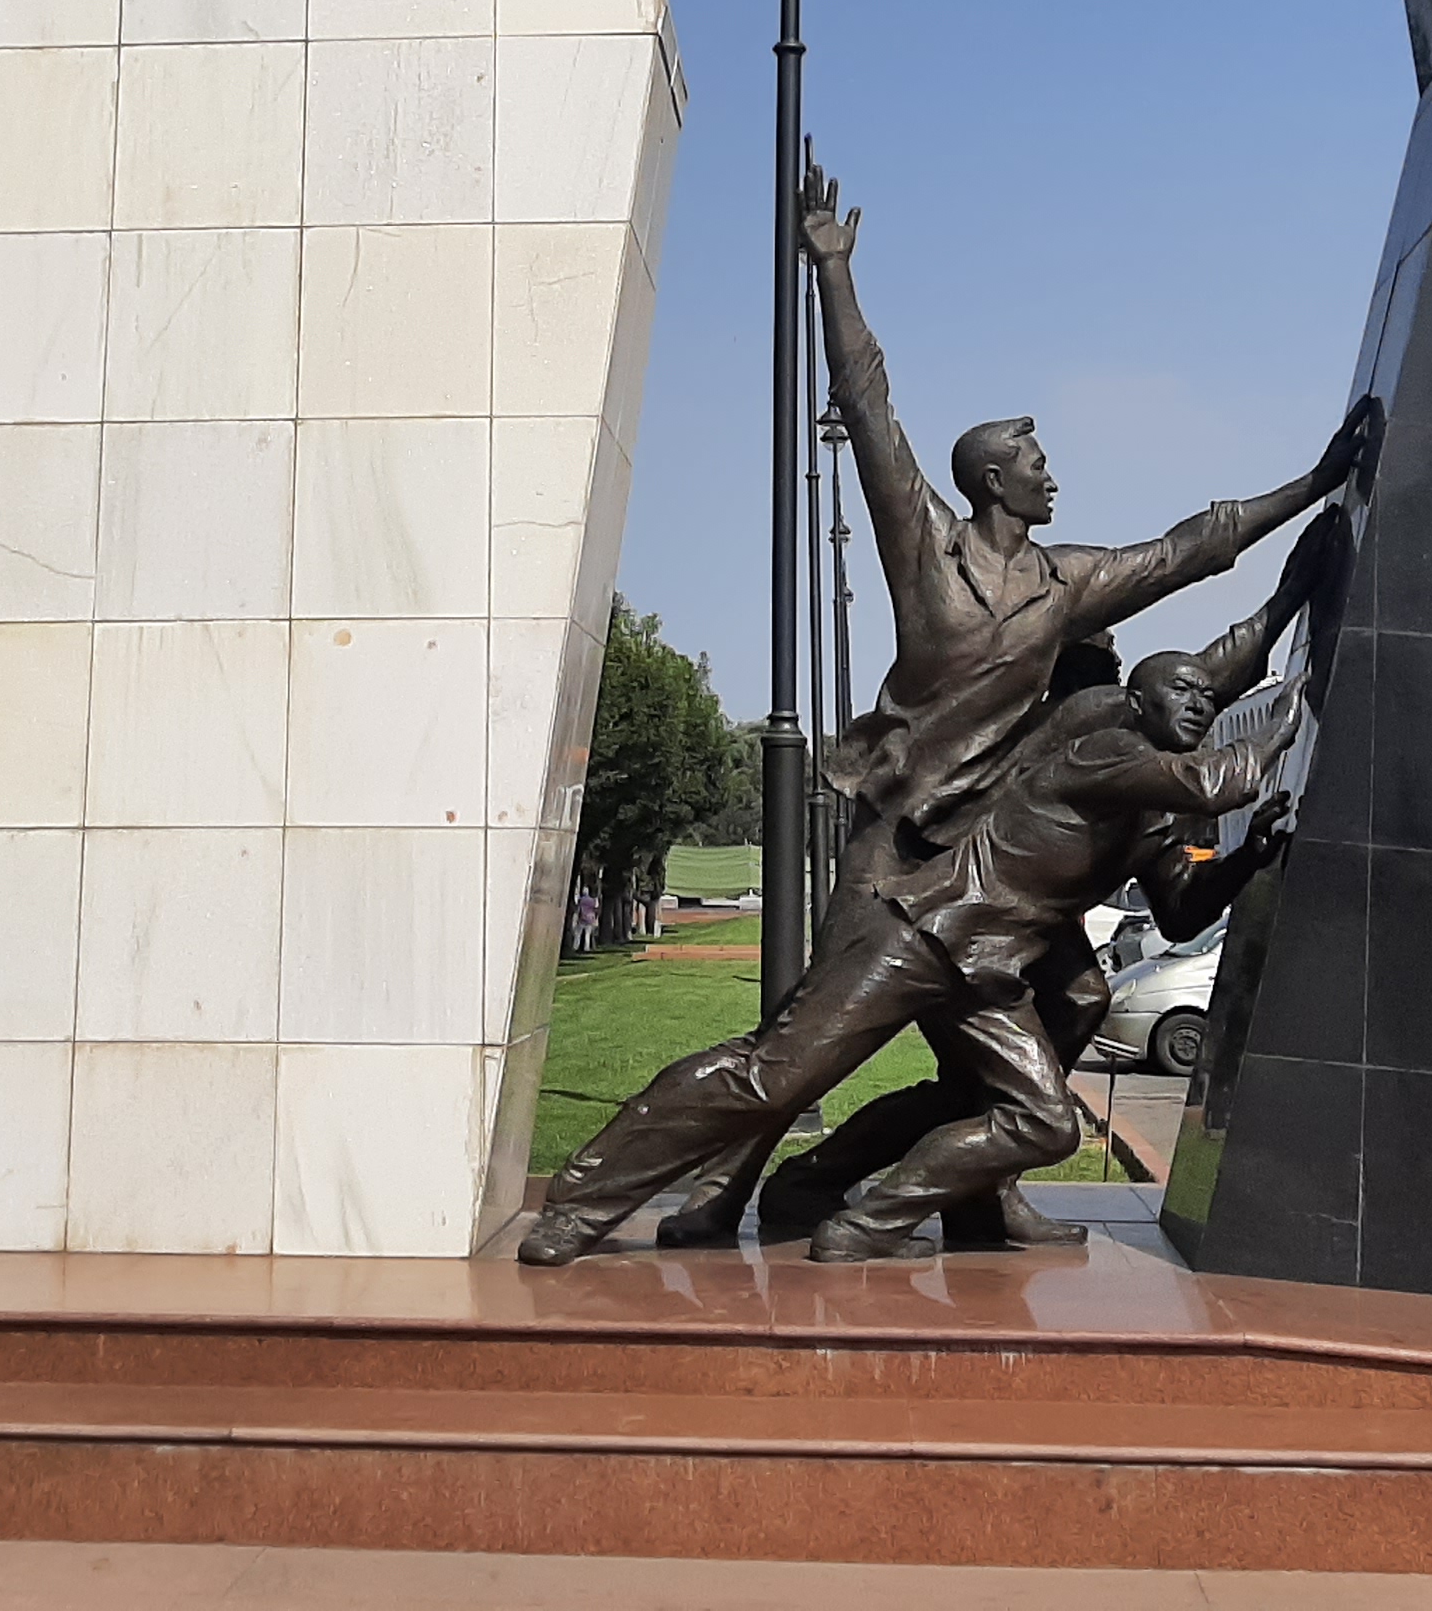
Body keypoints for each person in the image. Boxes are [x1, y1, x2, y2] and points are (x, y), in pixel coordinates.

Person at [657, 162, 1376, 1249]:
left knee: (1073, 1004)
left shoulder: (1068, 595)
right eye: (1036, 462)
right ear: (994, 478)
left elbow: (1186, 555)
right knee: (816, 1033)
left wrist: (1308, 514)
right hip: (906, 849)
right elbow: (871, 413)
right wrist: (833, 274)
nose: (1054, 476)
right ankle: (732, 1185)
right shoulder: (950, 577)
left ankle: (970, 1188)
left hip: (997, 882)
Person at [521, 510, 1348, 1266]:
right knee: (776, 1074)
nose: (1201, 703)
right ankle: (583, 1198)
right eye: (1181, 693)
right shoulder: (1097, 732)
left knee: (1034, 1101)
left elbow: (1183, 903)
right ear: (1128, 696)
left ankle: (864, 1209)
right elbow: (1217, 747)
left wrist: (1247, 855)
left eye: (1206, 699)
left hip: (990, 967)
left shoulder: (1151, 795)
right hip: (925, 930)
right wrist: (1290, 696)